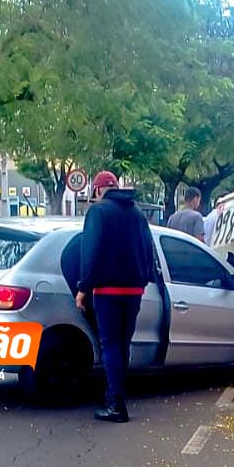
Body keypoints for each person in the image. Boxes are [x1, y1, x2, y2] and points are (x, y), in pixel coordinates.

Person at [76, 170, 156, 423]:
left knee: (110, 345)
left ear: (98, 190)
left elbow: (91, 252)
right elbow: (149, 248)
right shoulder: (137, 213)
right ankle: (117, 396)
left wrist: (83, 288)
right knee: (123, 345)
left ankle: (115, 404)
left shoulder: (97, 212)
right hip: (134, 291)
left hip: (107, 291)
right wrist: (144, 278)